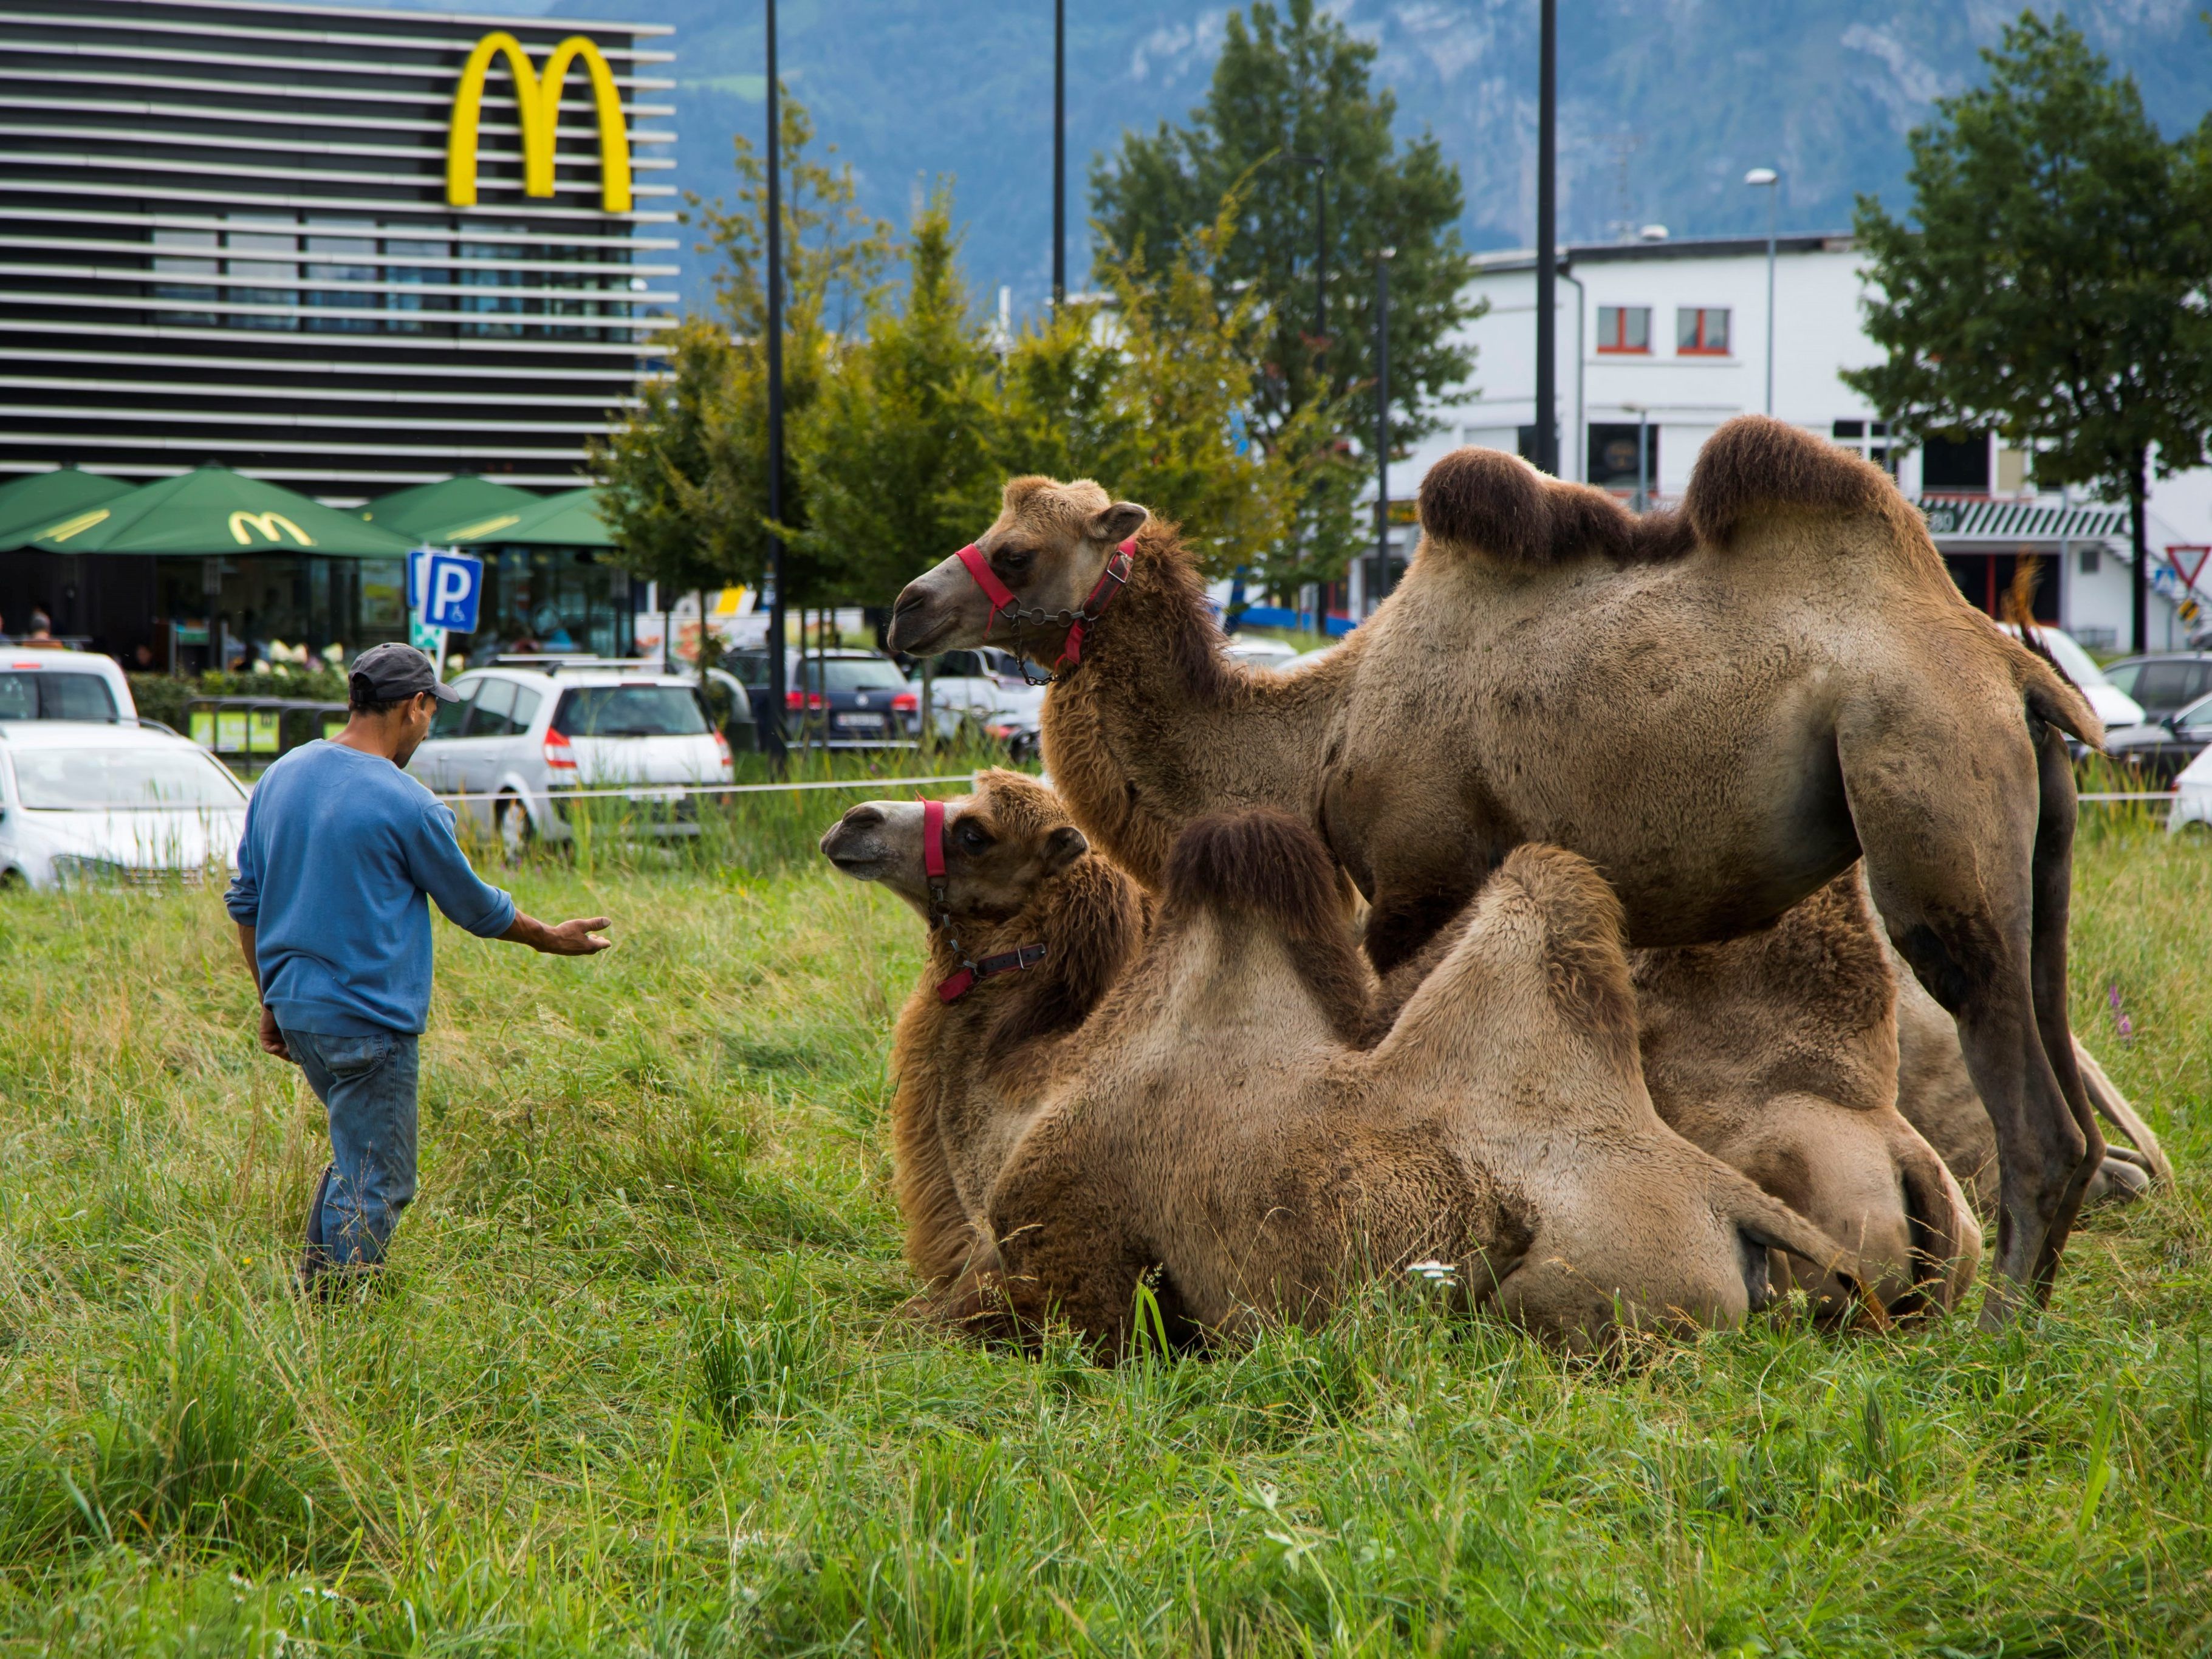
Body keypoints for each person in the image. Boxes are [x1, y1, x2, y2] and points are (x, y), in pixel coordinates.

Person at [225, 642, 613, 1298]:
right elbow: (472, 905)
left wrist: (271, 997)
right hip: (370, 1026)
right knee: (380, 1179)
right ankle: (341, 1318)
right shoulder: (410, 804)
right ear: (415, 705)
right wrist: (547, 936)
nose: (428, 728)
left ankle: (313, 1298)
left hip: (299, 1013)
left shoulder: (282, 776)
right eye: (431, 713)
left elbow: (247, 902)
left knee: (355, 1159)